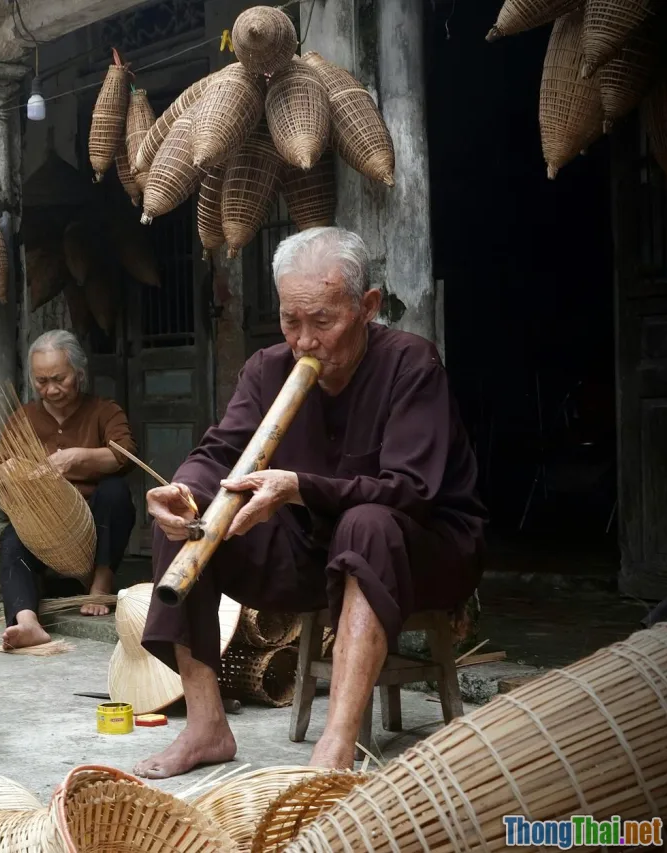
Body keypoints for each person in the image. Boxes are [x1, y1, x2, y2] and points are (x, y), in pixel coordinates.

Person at [135, 227, 488, 778]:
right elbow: (219, 454)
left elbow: (411, 490)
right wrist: (183, 493)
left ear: (367, 306)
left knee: (366, 525)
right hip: (313, 549)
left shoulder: (411, 365)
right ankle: (206, 726)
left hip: (422, 550)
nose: (304, 341)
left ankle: (336, 746)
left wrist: (300, 486)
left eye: (322, 322)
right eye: (290, 321)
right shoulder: (267, 369)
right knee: (189, 526)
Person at [0, 330, 138, 650]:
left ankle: (100, 585)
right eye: (41, 381)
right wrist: (9, 472)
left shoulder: (104, 411)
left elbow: (126, 455)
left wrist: (78, 457)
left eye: (59, 379)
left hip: (93, 525)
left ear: (79, 373)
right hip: (44, 528)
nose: (51, 390)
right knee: (12, 537)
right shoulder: (24, 418)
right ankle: (27, 622)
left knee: (115, 492)